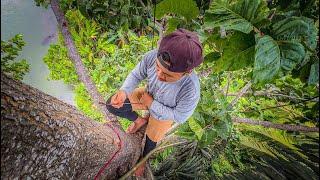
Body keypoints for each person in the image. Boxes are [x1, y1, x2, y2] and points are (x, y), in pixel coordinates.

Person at [106, 28, 203, 176]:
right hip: (147, 95)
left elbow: (180, 116)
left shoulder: (191, 90)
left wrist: (152, 104)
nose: (159, 75)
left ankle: (143, 161)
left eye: (167, 75)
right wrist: (123, 91)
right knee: (112, 105)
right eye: (158, 67)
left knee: (151, 141)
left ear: (187, 72)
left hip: (164, 114)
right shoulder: (152, 56)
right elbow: (137, 74)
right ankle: (139, 121)